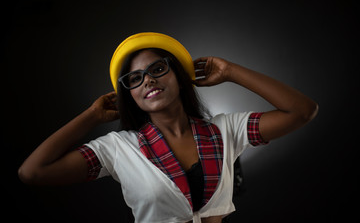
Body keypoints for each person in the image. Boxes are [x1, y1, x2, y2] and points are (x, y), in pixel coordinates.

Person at [18, 32, 318, 223]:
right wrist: (92, 116)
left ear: (179, 75)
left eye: (157, 69)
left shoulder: (226, 130)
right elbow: (32, 173)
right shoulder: (118, 148)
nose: (147, 80)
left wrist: (231, 72)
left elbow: (302, 111)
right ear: (130, 95)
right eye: (134, 78)